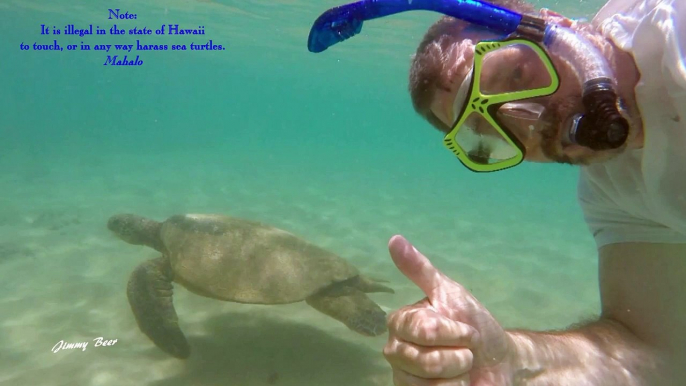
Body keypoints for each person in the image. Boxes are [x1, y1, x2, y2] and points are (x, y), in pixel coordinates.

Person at [379, 0, 686, 385]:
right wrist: (509, 358)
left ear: (555, 25)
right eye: (489, 131)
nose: (530, 121)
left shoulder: (672, 27)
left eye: (515, 75)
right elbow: (657, 353)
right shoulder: (617, 193)